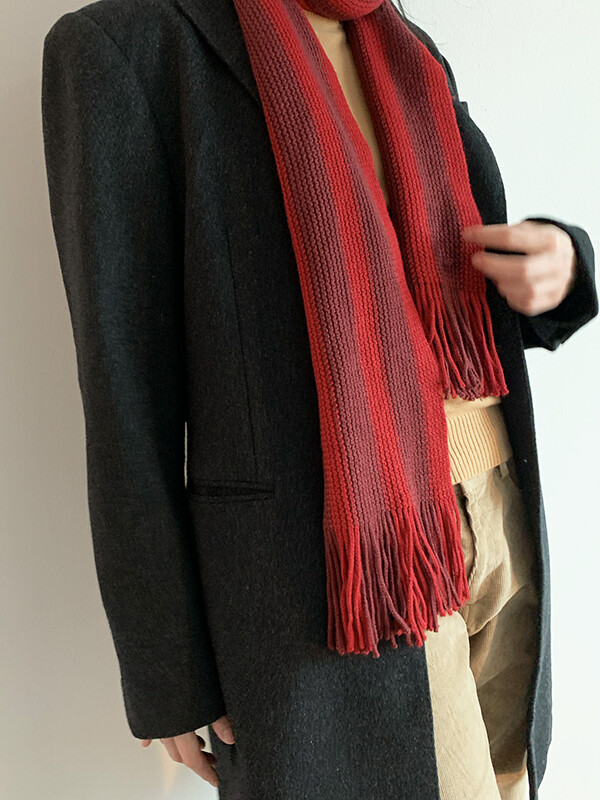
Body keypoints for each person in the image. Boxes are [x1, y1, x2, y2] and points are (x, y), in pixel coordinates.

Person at [41, 1, 597, 799]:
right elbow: (122, 391)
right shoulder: (126, 50)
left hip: (498, 511)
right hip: (340, 574)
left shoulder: (400, 40)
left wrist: (567, 266)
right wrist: (166, 670)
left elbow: (448, 273)